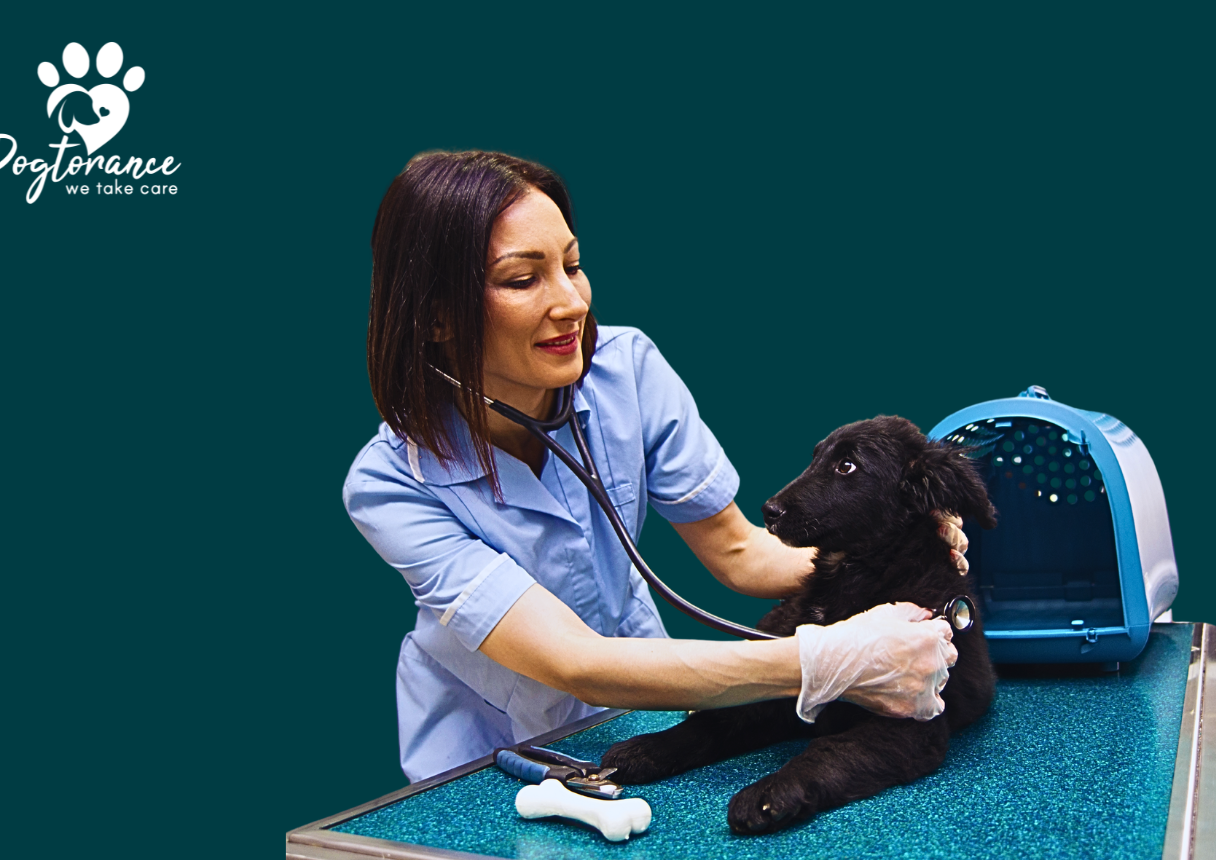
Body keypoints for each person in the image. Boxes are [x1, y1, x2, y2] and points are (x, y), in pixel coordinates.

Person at [344, 151, 968, 782]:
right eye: (523, 279)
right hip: (482, 750)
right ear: (436, 316)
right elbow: (572, 661)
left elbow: (739, 553)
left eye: (572, 265)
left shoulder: (626, 371)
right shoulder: (390, 486)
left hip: (637, 705)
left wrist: (890, 550)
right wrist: (826, 661)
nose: (572, 302)